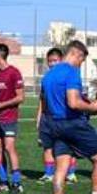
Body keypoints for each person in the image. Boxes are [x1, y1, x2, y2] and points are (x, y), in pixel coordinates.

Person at [41, 40, 97, 194]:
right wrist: (92, 108)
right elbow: (72, 102)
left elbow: (47, 104)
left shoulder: (48, 75)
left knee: (61, 166)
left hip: (54, 124)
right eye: (82, 60)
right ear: (76, 55)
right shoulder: (71, 72)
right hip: (72, 123)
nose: (81, 64)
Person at [0, 43, 25, 193]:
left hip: (9, 118)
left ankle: (16, 182)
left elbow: (20, 97)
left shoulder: (14, 72)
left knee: (9, 148)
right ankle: (3, 182)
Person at [35, 47, 64, 182]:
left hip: (60, 118)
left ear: (61, 61)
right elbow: (42, 99)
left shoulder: (66, 77)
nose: (52, 63)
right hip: (47, 117)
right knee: (47, 146)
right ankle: (48, 173)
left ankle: (68, 173)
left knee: (62, 147)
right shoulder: (45, 79)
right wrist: (39, 116)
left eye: (55, 61)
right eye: (50, 61)